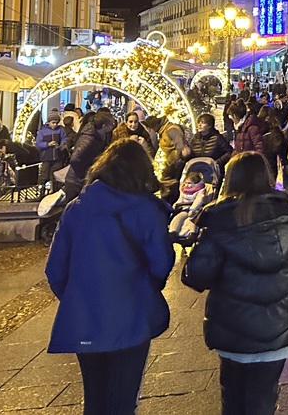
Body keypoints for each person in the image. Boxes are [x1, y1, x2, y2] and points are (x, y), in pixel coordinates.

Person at [182, 152, 288, 415]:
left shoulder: (218, 220)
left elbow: (197, 276)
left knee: (233, 401)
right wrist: (281, 286)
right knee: (263, 399)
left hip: (233, 330)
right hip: (277, 328)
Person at [45, 139, 175, 415]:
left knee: (94, 398)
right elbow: (161, 263)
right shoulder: (148, 210)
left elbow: (55, 270)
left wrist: (80, 296)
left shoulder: (76, 209)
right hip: (130, 315)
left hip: (86, 317)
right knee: (122, 399)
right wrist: (145, 288)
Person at [64, 109, 116, 199]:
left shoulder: (97, 135)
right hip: (76, 182)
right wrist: (87, 171)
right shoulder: (89, 139)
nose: (113, 126)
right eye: (111, 124)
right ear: (104, 126)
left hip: (79, 180)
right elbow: (75, 159)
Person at [35, 110, 68, 187]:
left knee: (56, 176)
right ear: (48, 122)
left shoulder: (61, 130)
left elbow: (64, 139)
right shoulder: (42, 132)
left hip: (57, 157)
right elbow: (38, 144)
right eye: (53, 122)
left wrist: (61, 145)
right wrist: (47, 144)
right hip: (46, 157)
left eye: (56, 122)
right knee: (44, 176)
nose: (55, 124)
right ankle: (40, 192)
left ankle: (54, 192)